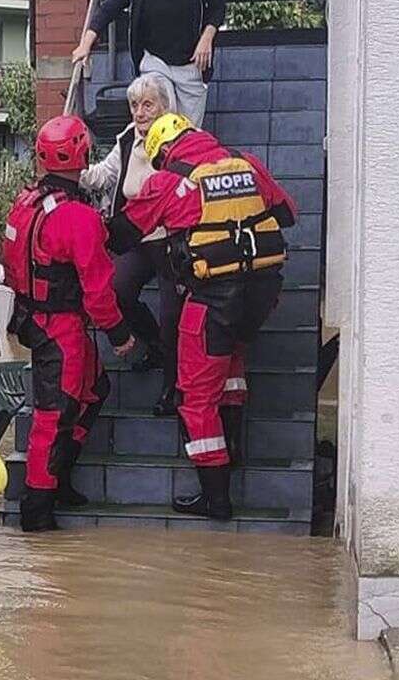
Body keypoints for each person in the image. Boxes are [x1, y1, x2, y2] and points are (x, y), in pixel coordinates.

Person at [108, 113, 296, 520]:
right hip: (261, 296)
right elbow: (287, 214)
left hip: (213, 300)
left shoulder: (167, 180)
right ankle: (235, 450)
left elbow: (121, 236)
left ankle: (216, 499)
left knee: (195, 398)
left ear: (163, 151)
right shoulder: (245, 162)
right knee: (230, 367)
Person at [2, 115, 136, 532]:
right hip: (59, 326)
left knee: (94, 390)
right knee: (53, 413)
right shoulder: (76, 216)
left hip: (34, 318)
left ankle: (57, 479)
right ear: (81, 154)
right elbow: (98, 290)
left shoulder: (25, 203)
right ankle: (37, 510)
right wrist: (119, 334)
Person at [81, 72, 183, 416]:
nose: (139, 113)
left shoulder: (180, 139)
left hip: (172, 238)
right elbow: (104, 175)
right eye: (134, 105)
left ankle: (173, 387)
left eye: (147, 105)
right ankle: (151, 344)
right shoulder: (127, 138)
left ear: (165, 108)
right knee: (117, 291)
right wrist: (69, 168)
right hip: (139, 237)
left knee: (173, 316)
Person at [72, 0, 226, 128]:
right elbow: (110, 7)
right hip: (155, 62)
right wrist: (86, 44)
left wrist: (207, 37)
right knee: (158, 123)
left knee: (188, 133)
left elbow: (217, 8)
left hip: (191, 66)